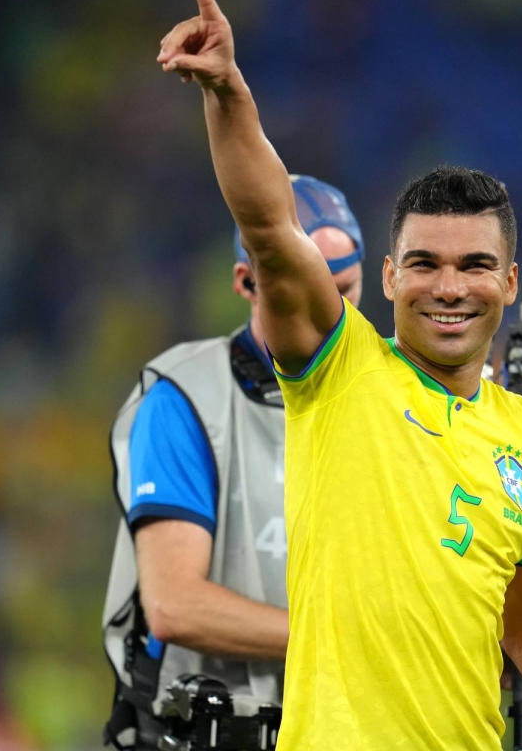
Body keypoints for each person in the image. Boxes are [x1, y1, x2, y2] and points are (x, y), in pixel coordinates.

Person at [153, 0, 522, 751]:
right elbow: (270, 229)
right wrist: (228, 93)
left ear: (510, 283)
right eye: (425, 263)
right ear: (389, 278)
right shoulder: (340, 369)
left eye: (475, 266)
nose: (449, 287)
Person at [100, 175, 366, 750]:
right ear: (246, 282)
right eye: (303, 290)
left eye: (345, 291)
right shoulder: (187, 398)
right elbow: (174, 605)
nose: (329, 314)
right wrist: (348, 640)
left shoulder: (389, 405)